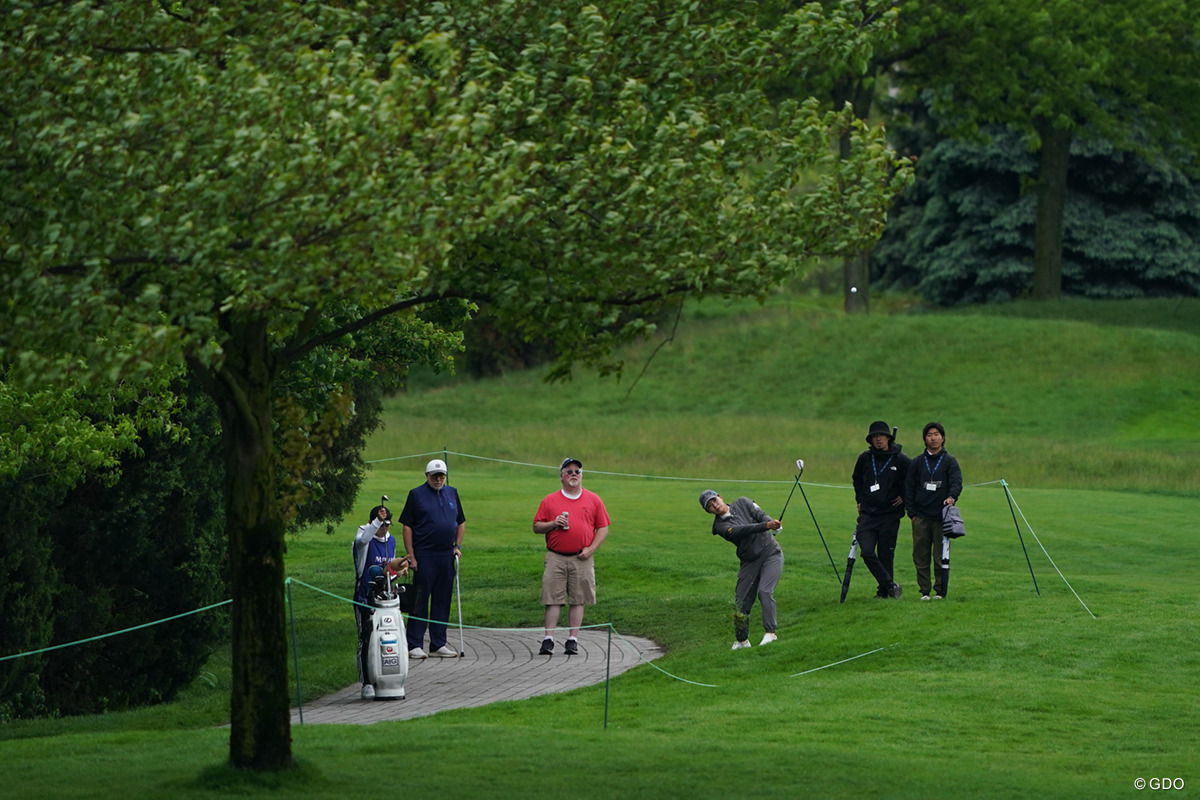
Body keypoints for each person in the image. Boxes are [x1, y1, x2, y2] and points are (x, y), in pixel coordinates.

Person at [532, 458, 610, 656]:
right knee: (553, 599)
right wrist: (552, 524)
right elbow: (536, 527)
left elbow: (603, 527)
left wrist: (591, 549)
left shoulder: (593, 499)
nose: (574, 474)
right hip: (556, 556)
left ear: (581, 475)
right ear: (561, 476)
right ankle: (548, 639)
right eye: (569, 471)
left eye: (577, 471)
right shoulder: (549, 500)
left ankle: (572, 640)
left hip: (582, 557)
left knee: (578, 598)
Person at [699, 489, 784, 650]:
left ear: (721, 497)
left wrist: (773, 525)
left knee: (765, 591)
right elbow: (742, 530)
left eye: (715, 501)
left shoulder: (743, 502)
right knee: (740, 603)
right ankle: (742, 641)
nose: (715, 506)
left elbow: (760, 514)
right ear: (708, 511)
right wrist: (766, 525)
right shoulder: (721, 527)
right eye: (710, 506)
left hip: (771, 553)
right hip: (749, 561)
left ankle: (770, 633)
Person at [399, 459, 465, 658]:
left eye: (441, 476)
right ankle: (414, 644)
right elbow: (407, 526)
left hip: (446, 555)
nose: (438, 479)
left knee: (442, 599)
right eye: (435, 476)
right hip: (424, 555)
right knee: (420, 599)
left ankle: (438, 643)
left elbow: (460, 522)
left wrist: (457, 546)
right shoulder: (416, 494)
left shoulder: (452, 493)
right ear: (426, 475)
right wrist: (411, 555)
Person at [352, 503, 409, 699]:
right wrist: (377, 521)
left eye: (386, 525)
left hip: (386, 601)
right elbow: (363, 540)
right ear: (372, 523)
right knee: (365, 640)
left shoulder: (391, 541)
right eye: (380, 525)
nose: (384, 529)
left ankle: (388, 677)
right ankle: (366, 682)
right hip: (364, 598)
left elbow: (388, 570)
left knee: (387, 639)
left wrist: (399, 571)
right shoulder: (363, 539)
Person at [851, 420, 910, 599]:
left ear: (888, 438)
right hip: (868, 514)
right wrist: (859, 499)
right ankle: (891, 586)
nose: (878, 440)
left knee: (886, 555)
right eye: (875, 437)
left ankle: (884, 592)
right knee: (867, 552)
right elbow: (857, 479)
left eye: (881, 436)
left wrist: (904, 498)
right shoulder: (865, 458)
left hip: (890, 515)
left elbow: (911, 480)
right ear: (870, 440)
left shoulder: (900, 459)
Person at [904, 422, 963, 600]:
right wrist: (912, 514)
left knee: (940, 556)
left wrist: (952, 497)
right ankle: (924, 591)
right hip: (921, 517)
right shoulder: (917, 462)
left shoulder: (949, 461)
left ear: (943, 438)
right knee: (920, 556)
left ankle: (940, 591)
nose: (933, 437)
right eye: (929, 434)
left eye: (937, 434)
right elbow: (909, 488)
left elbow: (956, 482)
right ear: (925, 439)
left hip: (942, 518)